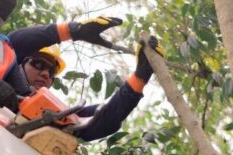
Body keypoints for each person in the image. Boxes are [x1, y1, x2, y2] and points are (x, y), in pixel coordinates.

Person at [19, 40, 162, 142]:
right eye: (38, 64)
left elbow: (107, 116)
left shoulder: (56, 115)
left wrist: (140, 77)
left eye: (51, 72)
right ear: (20, 63)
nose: (45, 74)